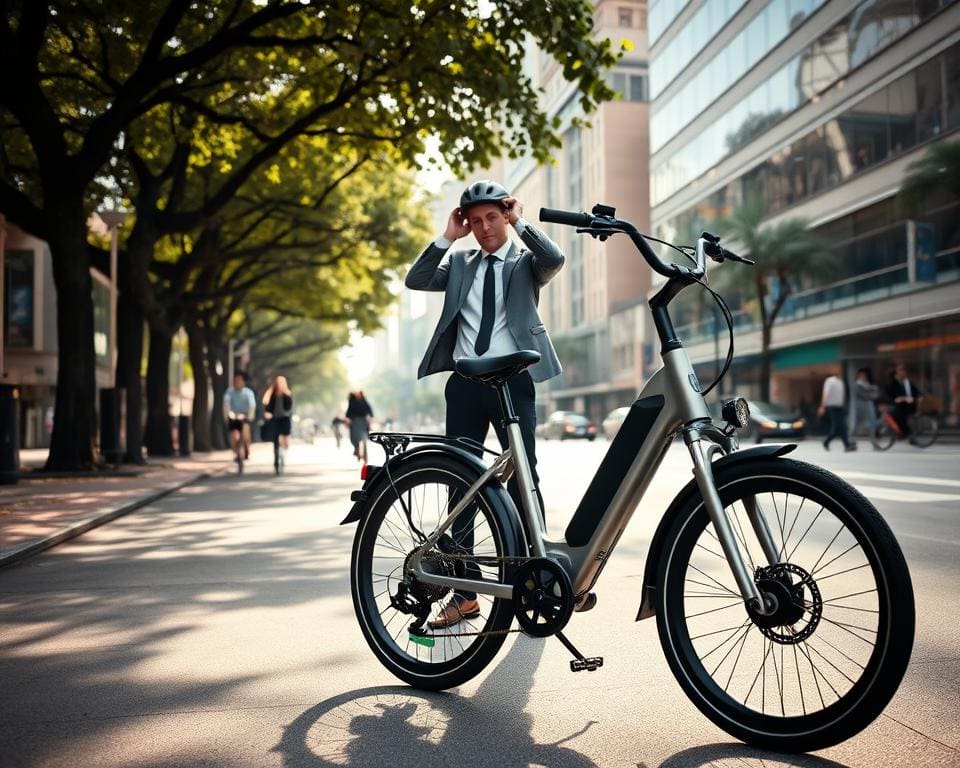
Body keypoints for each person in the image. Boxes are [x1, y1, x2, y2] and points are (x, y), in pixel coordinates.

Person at [405, 179, 565, 628]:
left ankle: (534, 581)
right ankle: (466, 591)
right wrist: (447, 237)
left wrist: (520, 222)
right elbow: (416, 279)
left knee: (524, 479)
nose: (484, 227)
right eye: (475, 221)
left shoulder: (525, 262)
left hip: (513, 382)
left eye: (492, 217)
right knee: (462, 484)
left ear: (505, 215)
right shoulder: (459, 261)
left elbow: (555, 258)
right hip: (465, 383)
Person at [818, 367, 854, 451]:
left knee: (841, 427)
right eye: (836, 370)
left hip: (840, 407)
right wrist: (822, 406)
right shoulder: (830, 380)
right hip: (832, 407)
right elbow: (825, 393)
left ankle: (828, 442)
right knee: (839, 426)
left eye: (839, 370)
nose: (838, 371)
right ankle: (846, 445)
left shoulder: (841, 381)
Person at [263, 375, 293, 472]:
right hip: (275, 419)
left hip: (284, 418)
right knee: (275, 440)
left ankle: (283, 451)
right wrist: (268, 413)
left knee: (285, 439)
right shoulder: (272, 395)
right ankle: (276, 460)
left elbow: (289, 408)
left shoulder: (287, 395)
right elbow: (267, 407)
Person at [224, 371, 256, 462]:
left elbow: (252, 405)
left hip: (245, 416)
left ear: (243, 382)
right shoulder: (229, 392)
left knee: (245, 434)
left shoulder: (248, 392)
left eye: (239, 380)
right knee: (233, 436)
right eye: (235, 380)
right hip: (233, 416)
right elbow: (226, 403)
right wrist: (229, 414)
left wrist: (249, 416)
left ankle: (247, 449)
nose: (237, 382)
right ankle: (236, 452)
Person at [887, 363, 922, 438]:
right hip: (897, 405)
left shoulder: (907, 382)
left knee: (900, 415)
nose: (903, 373)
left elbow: (915, 391)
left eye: (904, 371)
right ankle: (904, 432)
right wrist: (900, 398)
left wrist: (919, 396)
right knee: (895, 415)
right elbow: (891, 394)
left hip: (908, 405)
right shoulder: (893, 382)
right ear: (897, 372)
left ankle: (906, 433)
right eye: (901, 371)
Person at [849, 367, 879, 447]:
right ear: (859, 375)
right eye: (861, 374)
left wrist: (872, 392)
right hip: (861, 406)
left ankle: (874, 442)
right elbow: (865, 396)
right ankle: (852, 442)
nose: (863, 376)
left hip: (869, 405)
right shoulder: (857, 384)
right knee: (857, 425)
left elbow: (876, 394)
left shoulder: (868, 384)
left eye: (864, 374)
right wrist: (872, 392)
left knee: (872, 423)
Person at [346, 391, 373, 462]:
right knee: (354, 438)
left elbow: (370, 412)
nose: (358, 395)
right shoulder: (352, 402)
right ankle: (356, 449)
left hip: (363, 422)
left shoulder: (364, 402)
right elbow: (348, 413)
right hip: (355, 422)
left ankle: (363, 455)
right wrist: (349, 420)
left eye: (359, 394)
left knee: (363, 439)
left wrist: (370, 419)